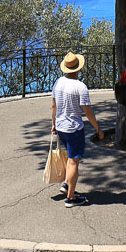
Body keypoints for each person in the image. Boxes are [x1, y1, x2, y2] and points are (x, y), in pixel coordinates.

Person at [51, 51, 104, 207]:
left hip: (61, 127)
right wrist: (98, 129)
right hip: (74, 128)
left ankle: (67, 184)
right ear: (78, 68)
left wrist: (53, 124)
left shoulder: (58, 82)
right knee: (74, 161)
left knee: (69, 158)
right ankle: (71, 198)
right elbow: (88, 111)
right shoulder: (80, 87)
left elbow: (54, 106)